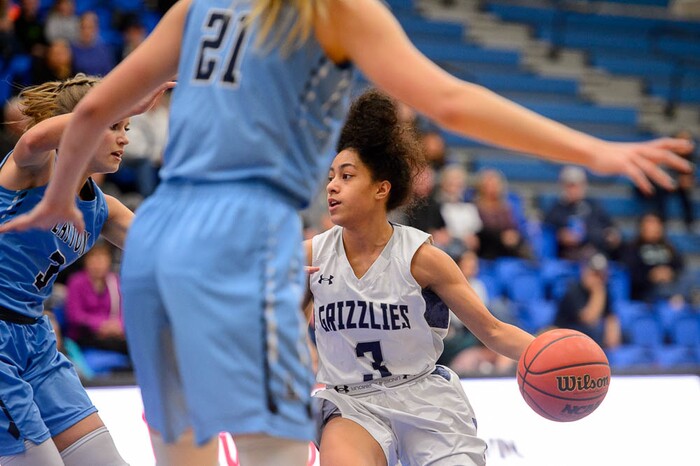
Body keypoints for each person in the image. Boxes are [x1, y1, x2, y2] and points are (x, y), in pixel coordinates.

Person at [0, 0, 693, 464]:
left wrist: (59, 196)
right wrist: (597, 154)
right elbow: (450, 99)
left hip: (163, 249)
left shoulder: (194, 8)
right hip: (237, 241)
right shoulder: (334, 11)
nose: (337, 185)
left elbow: (92, 113)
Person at [305, 89, 534, 465]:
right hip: (350, 402)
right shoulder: (310, 256)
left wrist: (546, 352)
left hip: (423, 397)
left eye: (346, 176)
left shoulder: (423, 259)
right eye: (331, 176)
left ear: (382, 188)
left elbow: (492, 331)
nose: (332, 186)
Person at [0, 73, 166, 465]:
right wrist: (114, 100)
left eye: (127, 126)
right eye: (113, 125)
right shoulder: (36, 167)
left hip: (36, 342)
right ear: (80, 123)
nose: (125, 137)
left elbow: (175, 253)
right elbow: (32, 139)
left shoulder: (103, 208)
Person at [543, 165, 623, 261]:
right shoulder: (556, 209)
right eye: (571, 185)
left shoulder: (594, 206)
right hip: (567, 258)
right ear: (563, 186)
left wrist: (612, 235)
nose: (574, 190)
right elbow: (546, 233)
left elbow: (610, 229)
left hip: (595, 253)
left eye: (578, 185)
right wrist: (559, 236)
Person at [65, 240, 129, 355]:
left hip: (114, 335)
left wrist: (118, 325)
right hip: (86, 335)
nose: (98, 263)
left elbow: (124, 310)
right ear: (86, 260)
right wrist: (100, 325)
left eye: (102, 258)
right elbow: (75, 315)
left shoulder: (115, 281)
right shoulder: (76, 282)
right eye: (94, 258)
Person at [554, 253, 622, 350]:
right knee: (595, 332)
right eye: (595, 274)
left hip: (587, 333)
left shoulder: (606, 289)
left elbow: (610, 316)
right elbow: (589, 319)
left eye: (601, 275)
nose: (598, 279)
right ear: (585, 271)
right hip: (567, 332)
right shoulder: (573, 290)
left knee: (624, 334)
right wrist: (598, 292)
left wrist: (613, 336)